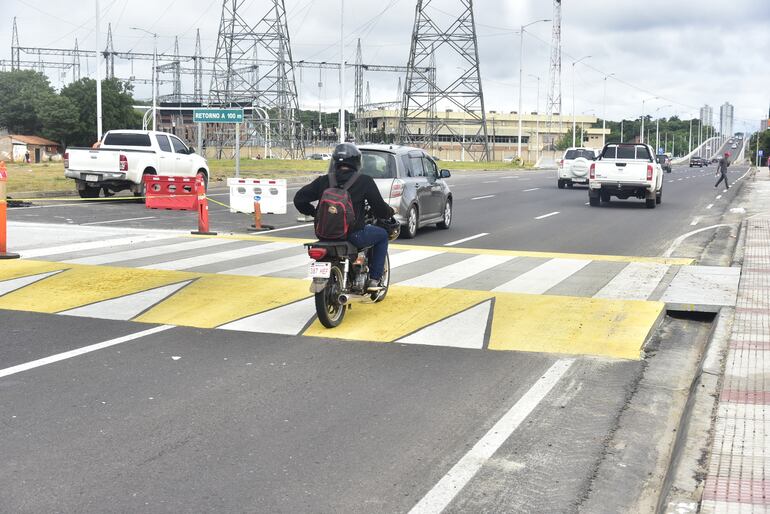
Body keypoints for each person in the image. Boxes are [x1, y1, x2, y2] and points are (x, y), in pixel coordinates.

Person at [294, 143, 395, 290]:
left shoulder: (324, 180)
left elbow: (299, 199)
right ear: (357, 162)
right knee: (382, 235)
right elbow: (380, 209)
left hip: (324, 234)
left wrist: (314, 213)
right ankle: (375, 279)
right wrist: (390, 212)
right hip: (353, 235)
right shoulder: (364, 181)